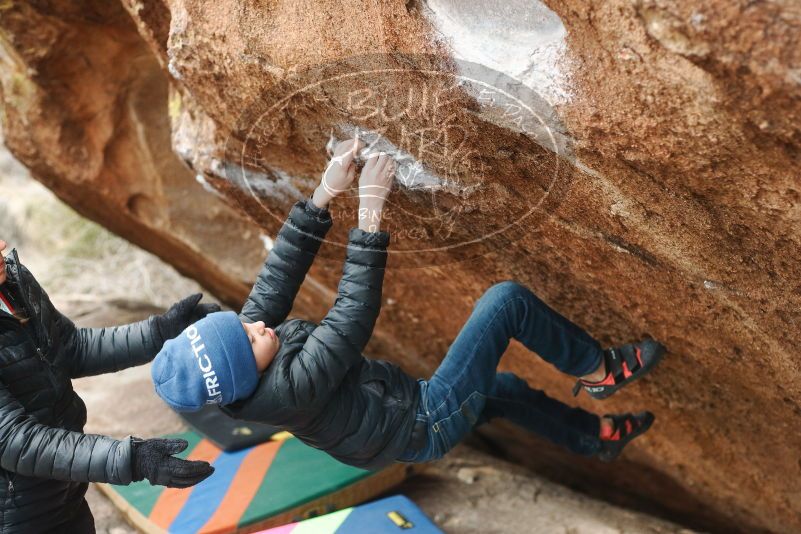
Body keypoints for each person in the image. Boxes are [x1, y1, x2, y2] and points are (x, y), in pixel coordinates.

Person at [152, 137, 665, 472]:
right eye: (245, 339)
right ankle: (598, 371)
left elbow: (276, 278)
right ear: (243, 375)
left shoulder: (246, 353)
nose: (254, 327)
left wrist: (321, 197)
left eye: (238, 326)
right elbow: (351, 316)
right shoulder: (289, 388)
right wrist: (370, 213)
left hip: (390, 427)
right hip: (423, 419)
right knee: (505, 302)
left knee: (502, 390)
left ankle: (593, 438)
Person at [0, 241, 217, 533]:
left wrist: (159, 332)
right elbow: (16, 440)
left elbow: (70, 347)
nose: (2, 245)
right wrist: (133, 459)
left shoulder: (12, 282)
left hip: (65, 494)